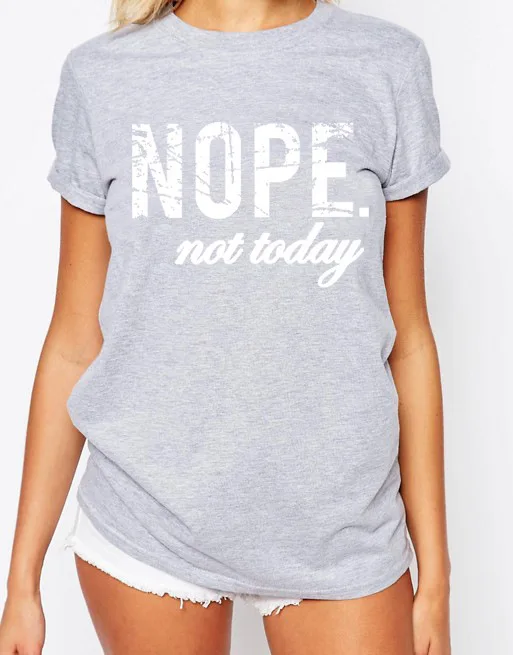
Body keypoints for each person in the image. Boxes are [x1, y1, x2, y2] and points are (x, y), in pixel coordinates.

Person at [0, 0, 452, 653]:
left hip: (342, 530)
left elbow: (408, 338)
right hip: (148, 523)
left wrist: (435, 577)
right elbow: (74, 341)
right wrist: (22, 578)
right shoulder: (104, 75)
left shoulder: (384, 65)